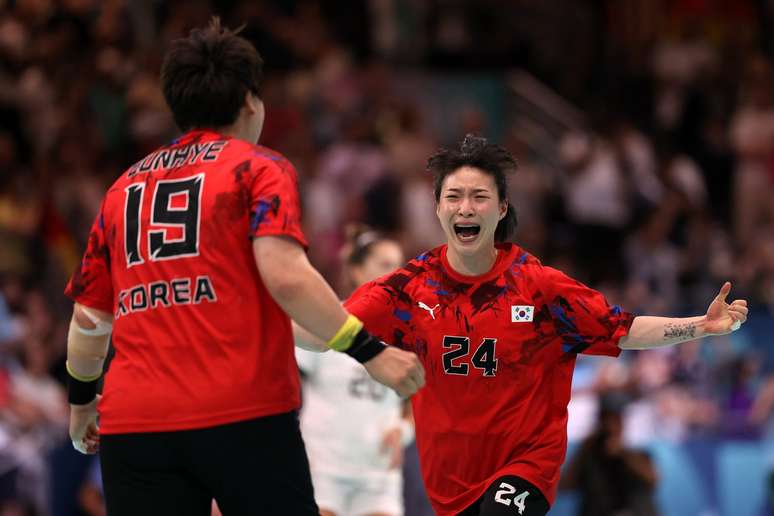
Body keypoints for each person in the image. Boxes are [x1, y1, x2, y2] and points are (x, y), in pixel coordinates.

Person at [62, 18, 424, 516]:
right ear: (251, 103)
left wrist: (82, 404)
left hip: (135, 425)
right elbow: (287, 276)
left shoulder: (121, 190)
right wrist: (370, 351)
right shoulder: (258, 168)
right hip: (243, 418)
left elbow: (89, 320)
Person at [302, 134, 749, 516]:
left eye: (480, 197)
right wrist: (274, 313)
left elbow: (622, 329)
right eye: (454, 196)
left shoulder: (539, 287)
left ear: (501, 209)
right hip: (450, 482)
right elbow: (326, 330)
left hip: (525, 466)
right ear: (437, 207)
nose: (466, 208)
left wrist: (700, 326)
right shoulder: (409, 289)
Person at [296, 227, 413, 516]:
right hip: (323, 468)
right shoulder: (326, 320)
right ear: (357, 271)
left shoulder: (410, 331)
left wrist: (404, 430)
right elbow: (287, 389)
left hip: (378, 473)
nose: (395, 274)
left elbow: (416, 397)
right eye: (385, 266)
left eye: (399, 266)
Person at [559, 395, 659, 516]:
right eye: (606, 419)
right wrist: (585, 451)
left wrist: (623, 453)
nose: (611, 426)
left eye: (616, 419)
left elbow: (652, 480)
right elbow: (565, 486)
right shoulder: (589, 450)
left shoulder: (636, 450)